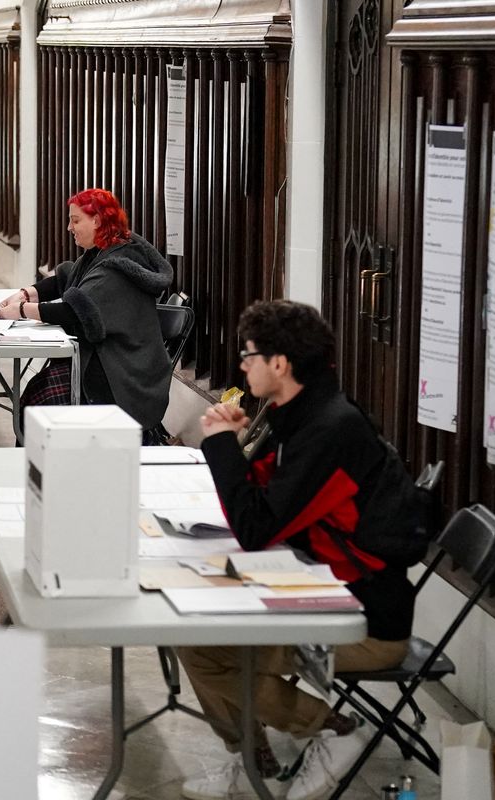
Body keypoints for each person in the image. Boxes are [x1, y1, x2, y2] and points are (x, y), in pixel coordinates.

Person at [177, 301, 416, 800]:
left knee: (204, 649)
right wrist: (236, 441)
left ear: (280, 364)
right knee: (191, 631)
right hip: (317, 588)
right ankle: (251, 757)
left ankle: (334, 730)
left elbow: (256, 527)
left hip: (365, 621)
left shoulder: (330, 428)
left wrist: (220, 444)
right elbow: (265, 499)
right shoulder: (300, 413)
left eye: (249, 356)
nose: (242, 366)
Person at [0, 188, 172, 435]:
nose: (69, 227)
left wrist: (21, 310)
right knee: (36, 396)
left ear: (96, 221)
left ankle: (42, 458)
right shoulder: (102, 253)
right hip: (109, 361)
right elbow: (66, 280)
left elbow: (73, 310)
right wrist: (25, 294)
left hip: (122, 376)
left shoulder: (117, 267)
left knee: (38, 402)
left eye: (75, 220)